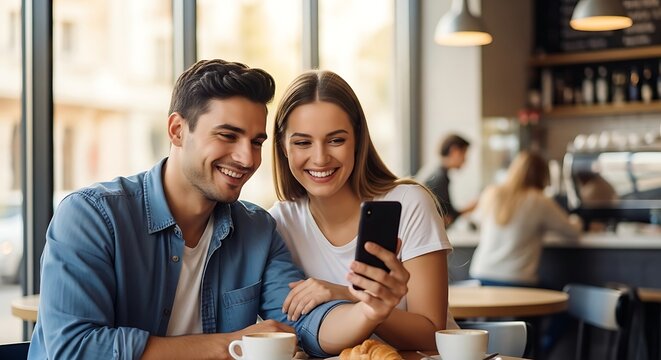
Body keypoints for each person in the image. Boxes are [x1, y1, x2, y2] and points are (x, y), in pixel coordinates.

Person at [29, 60, 408, 359]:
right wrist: (232, 345)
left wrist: (369, 311)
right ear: (177, 130)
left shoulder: (256, 229)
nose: (246, 158)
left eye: (256, 141)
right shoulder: (92, 217)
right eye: (228, 135)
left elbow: (306, 324)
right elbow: (76, 349)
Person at [268, 70, 455, 351]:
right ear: (283, 146)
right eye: (303, 142)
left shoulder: (409, 203)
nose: (320, 158)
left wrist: (346, 294)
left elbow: (432, 337)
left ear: (358, 140)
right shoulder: (280, 222)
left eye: (336, 140)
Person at [469, 151, 581, 287]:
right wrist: (578, 219)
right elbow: (572, 231)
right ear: (543, 175)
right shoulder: (540, 200)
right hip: (516, 280)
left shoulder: (492, 193)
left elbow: (476, 220)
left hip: (481, 274)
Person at [424, 134, 476, 228]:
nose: (465, 160)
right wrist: (469, 208)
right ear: (454, 151)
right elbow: (447, 217)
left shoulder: (436, 175)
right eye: (464, 154)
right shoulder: (440, 179)